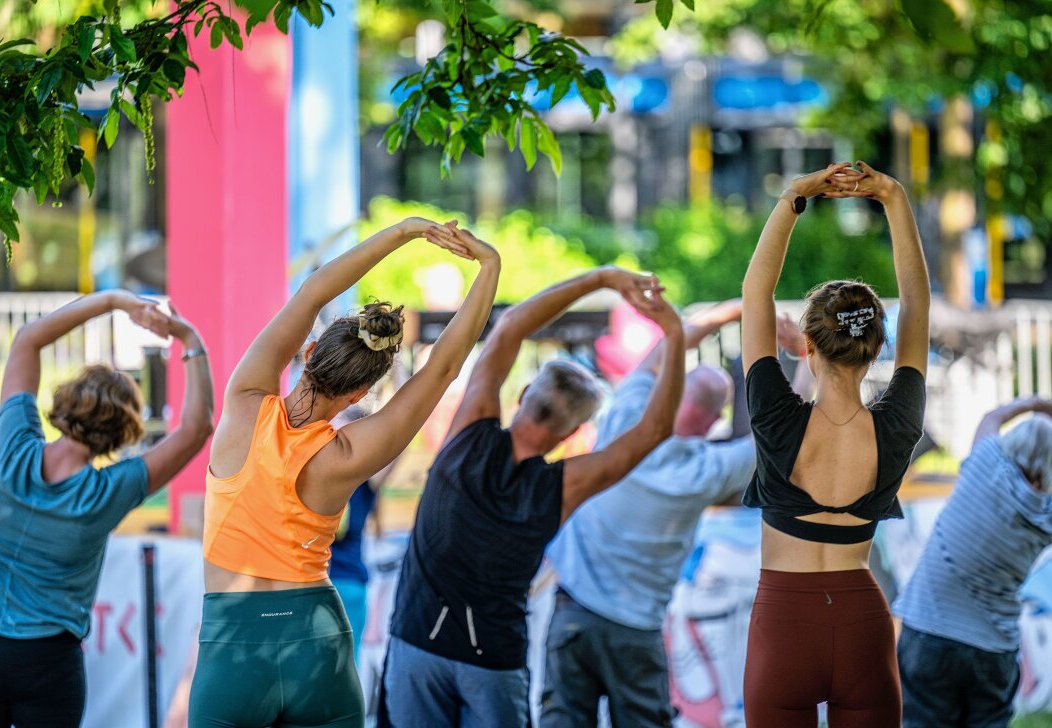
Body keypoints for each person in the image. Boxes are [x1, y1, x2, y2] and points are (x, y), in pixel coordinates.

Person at [188, 218, 499, 728]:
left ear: (307, 353)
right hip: (318, 642)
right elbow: (442, 368)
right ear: (360, 396)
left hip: (233, 643)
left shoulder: (244, 404)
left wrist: (404, 233)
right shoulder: (349, 453)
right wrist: (490, 266)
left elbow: (311, 295)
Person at [379, 248, 686, 728]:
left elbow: (510, 327)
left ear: (523, 397)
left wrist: (601, 278)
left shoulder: (469, 431)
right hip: (493, 660)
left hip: (417, 642)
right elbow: (655, 429)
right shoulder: (564, 485)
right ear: (569, 435)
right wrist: (674, 332)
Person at [541, 301, 806, 727]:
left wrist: (735, 310)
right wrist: (807, 355)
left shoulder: (628, 420)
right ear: (712, 421)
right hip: (635, 629)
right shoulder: (706, 472)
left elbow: (666, 350)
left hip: (573, 609)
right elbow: (791, 430)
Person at [740, 161, 930, 727]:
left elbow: (756, 289)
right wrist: (892, 197)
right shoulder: (899, 423)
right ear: (876, 352)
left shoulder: (774, 416)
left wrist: (794, 198)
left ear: (807, 348)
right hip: (863, 623)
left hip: (783, 623)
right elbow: (917, 303)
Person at [0, 291, 214, 728]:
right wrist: (189, 338)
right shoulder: (108, 493)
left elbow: (28, 339)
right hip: (48, 663)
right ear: (121, 433)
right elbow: (197, 429)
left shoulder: (11, 447)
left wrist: (113, 302)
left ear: (68, 400)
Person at [894, 397, 1052, 728]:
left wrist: (1039, 404)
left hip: (930, 632)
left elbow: (993, 416)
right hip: (994, 648)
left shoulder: (985, 465)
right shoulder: (1047, 517)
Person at [327, 404, 399, 663]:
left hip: (345, 583)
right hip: (317, 584)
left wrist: (403, 372)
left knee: (345, 668)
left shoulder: (364, 477)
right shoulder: (320, 472)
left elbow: (399, 435)